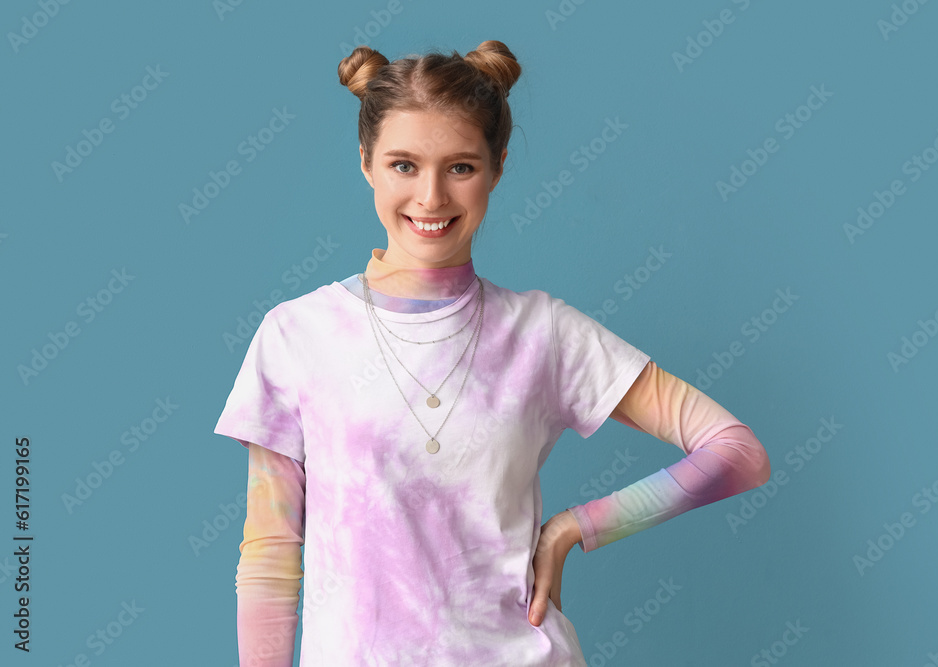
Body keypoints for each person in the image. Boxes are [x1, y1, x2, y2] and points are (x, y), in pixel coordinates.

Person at [214, 39, 771, 666]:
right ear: (365, 163)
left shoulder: (544, 333)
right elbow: (270, 551)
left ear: (498, 168)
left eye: (460, 167)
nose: (430, 198)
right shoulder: (297, 335)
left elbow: (739, 454)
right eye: (403, 165)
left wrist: (576, 527)